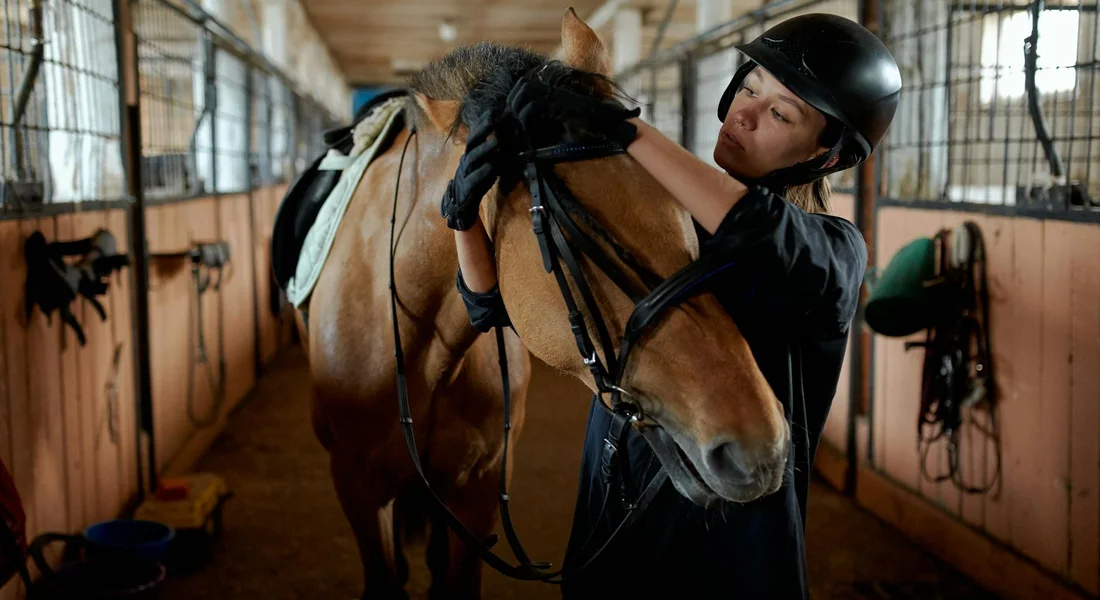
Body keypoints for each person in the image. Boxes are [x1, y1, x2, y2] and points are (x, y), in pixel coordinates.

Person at [439, 13, 901, 599]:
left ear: (827, 157)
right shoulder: (669, 220)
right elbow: (495, 309)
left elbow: (758, 228)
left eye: (781, 114)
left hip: (725, 560)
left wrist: (625, 129)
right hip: (609, 521)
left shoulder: (833, 253)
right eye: (750, 89)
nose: (746, 114)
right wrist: (462, 218)